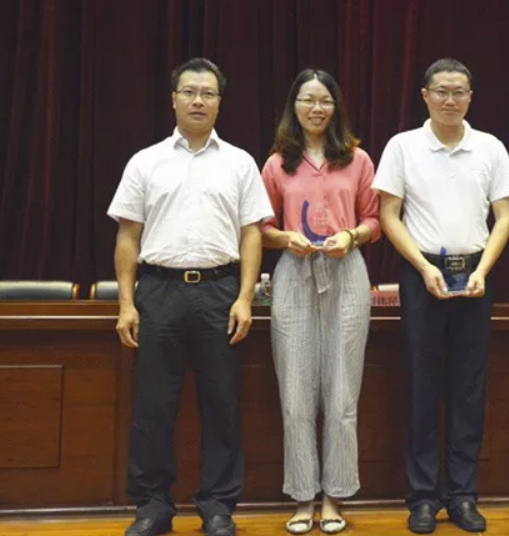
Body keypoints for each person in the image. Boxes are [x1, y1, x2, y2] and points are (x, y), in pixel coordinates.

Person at [108, 57, 273, 536]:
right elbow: (127, 237)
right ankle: (153, 505)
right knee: (153, 405)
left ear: (220, 102)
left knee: (222, 402)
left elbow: (251, 235)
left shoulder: (239, 162)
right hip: (158, 290)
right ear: (174, 100)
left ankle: (218, 506)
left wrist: (245, 298)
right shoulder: (145, 161)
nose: (198, 101)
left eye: (208, 93)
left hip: (220, 291)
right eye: (189, 92)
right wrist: (126, 303)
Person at [373, 58, 509, 534]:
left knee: (468, 389)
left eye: (459, 92)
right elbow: (389, 214)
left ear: (470, 97)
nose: (450, 100)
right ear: (425, 95)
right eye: (441, 91)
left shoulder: (490, 147)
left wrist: (483, 269)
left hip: (474, 274)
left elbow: (504, 217)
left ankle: (462, 495)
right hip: (423, 275)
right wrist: (422, 267)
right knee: (422, 388)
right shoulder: (403, 146)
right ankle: (422, 498)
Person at [260, 69, 380, 535]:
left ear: (336, 107)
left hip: (346, 273)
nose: (316, 108)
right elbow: (260, 228)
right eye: (307, 100)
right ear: (293, 107)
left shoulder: (357, 159)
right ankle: (302, 496)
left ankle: (335, 495)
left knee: (342, 392)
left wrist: (352, 235)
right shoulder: (277, 164)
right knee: (295, 394)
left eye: (324, 100)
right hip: (294, 275)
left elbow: (375, 220)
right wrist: (284, 238)